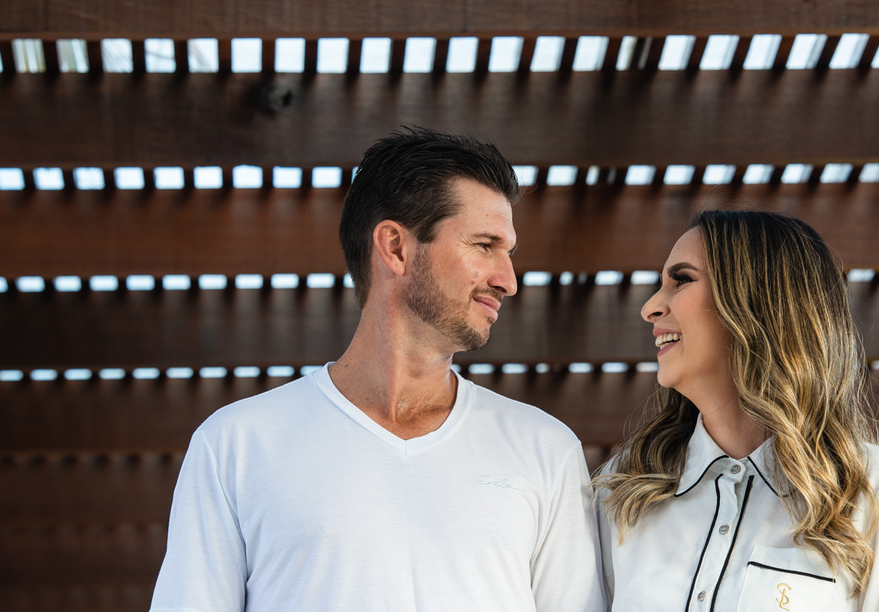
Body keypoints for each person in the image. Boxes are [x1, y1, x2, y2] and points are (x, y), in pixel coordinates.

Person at [150, 128, 606, 612]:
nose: (507, 280)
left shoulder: (545, 449)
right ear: (395, 247)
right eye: (484, 245)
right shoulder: (235, 446)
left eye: (508, 253)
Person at [594, 210, 879, 612]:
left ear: (757, 300)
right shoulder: (621, 492)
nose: (650, 307)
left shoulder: (876, 488)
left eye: (682, 280)